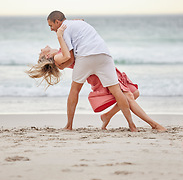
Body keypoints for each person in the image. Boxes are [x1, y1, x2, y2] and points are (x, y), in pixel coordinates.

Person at [27, 21, 166, 132]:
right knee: (128, 96)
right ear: (47, 56)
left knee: (134, 93)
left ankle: (107, 116)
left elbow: (77, 35)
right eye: (40, 53)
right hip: (96, 72)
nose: (41, 49)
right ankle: (153, 124)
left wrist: (74, 24)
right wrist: (61, 33)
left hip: (99, 64)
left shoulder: (62, 46)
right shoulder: (60, 57)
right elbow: (70, 57)